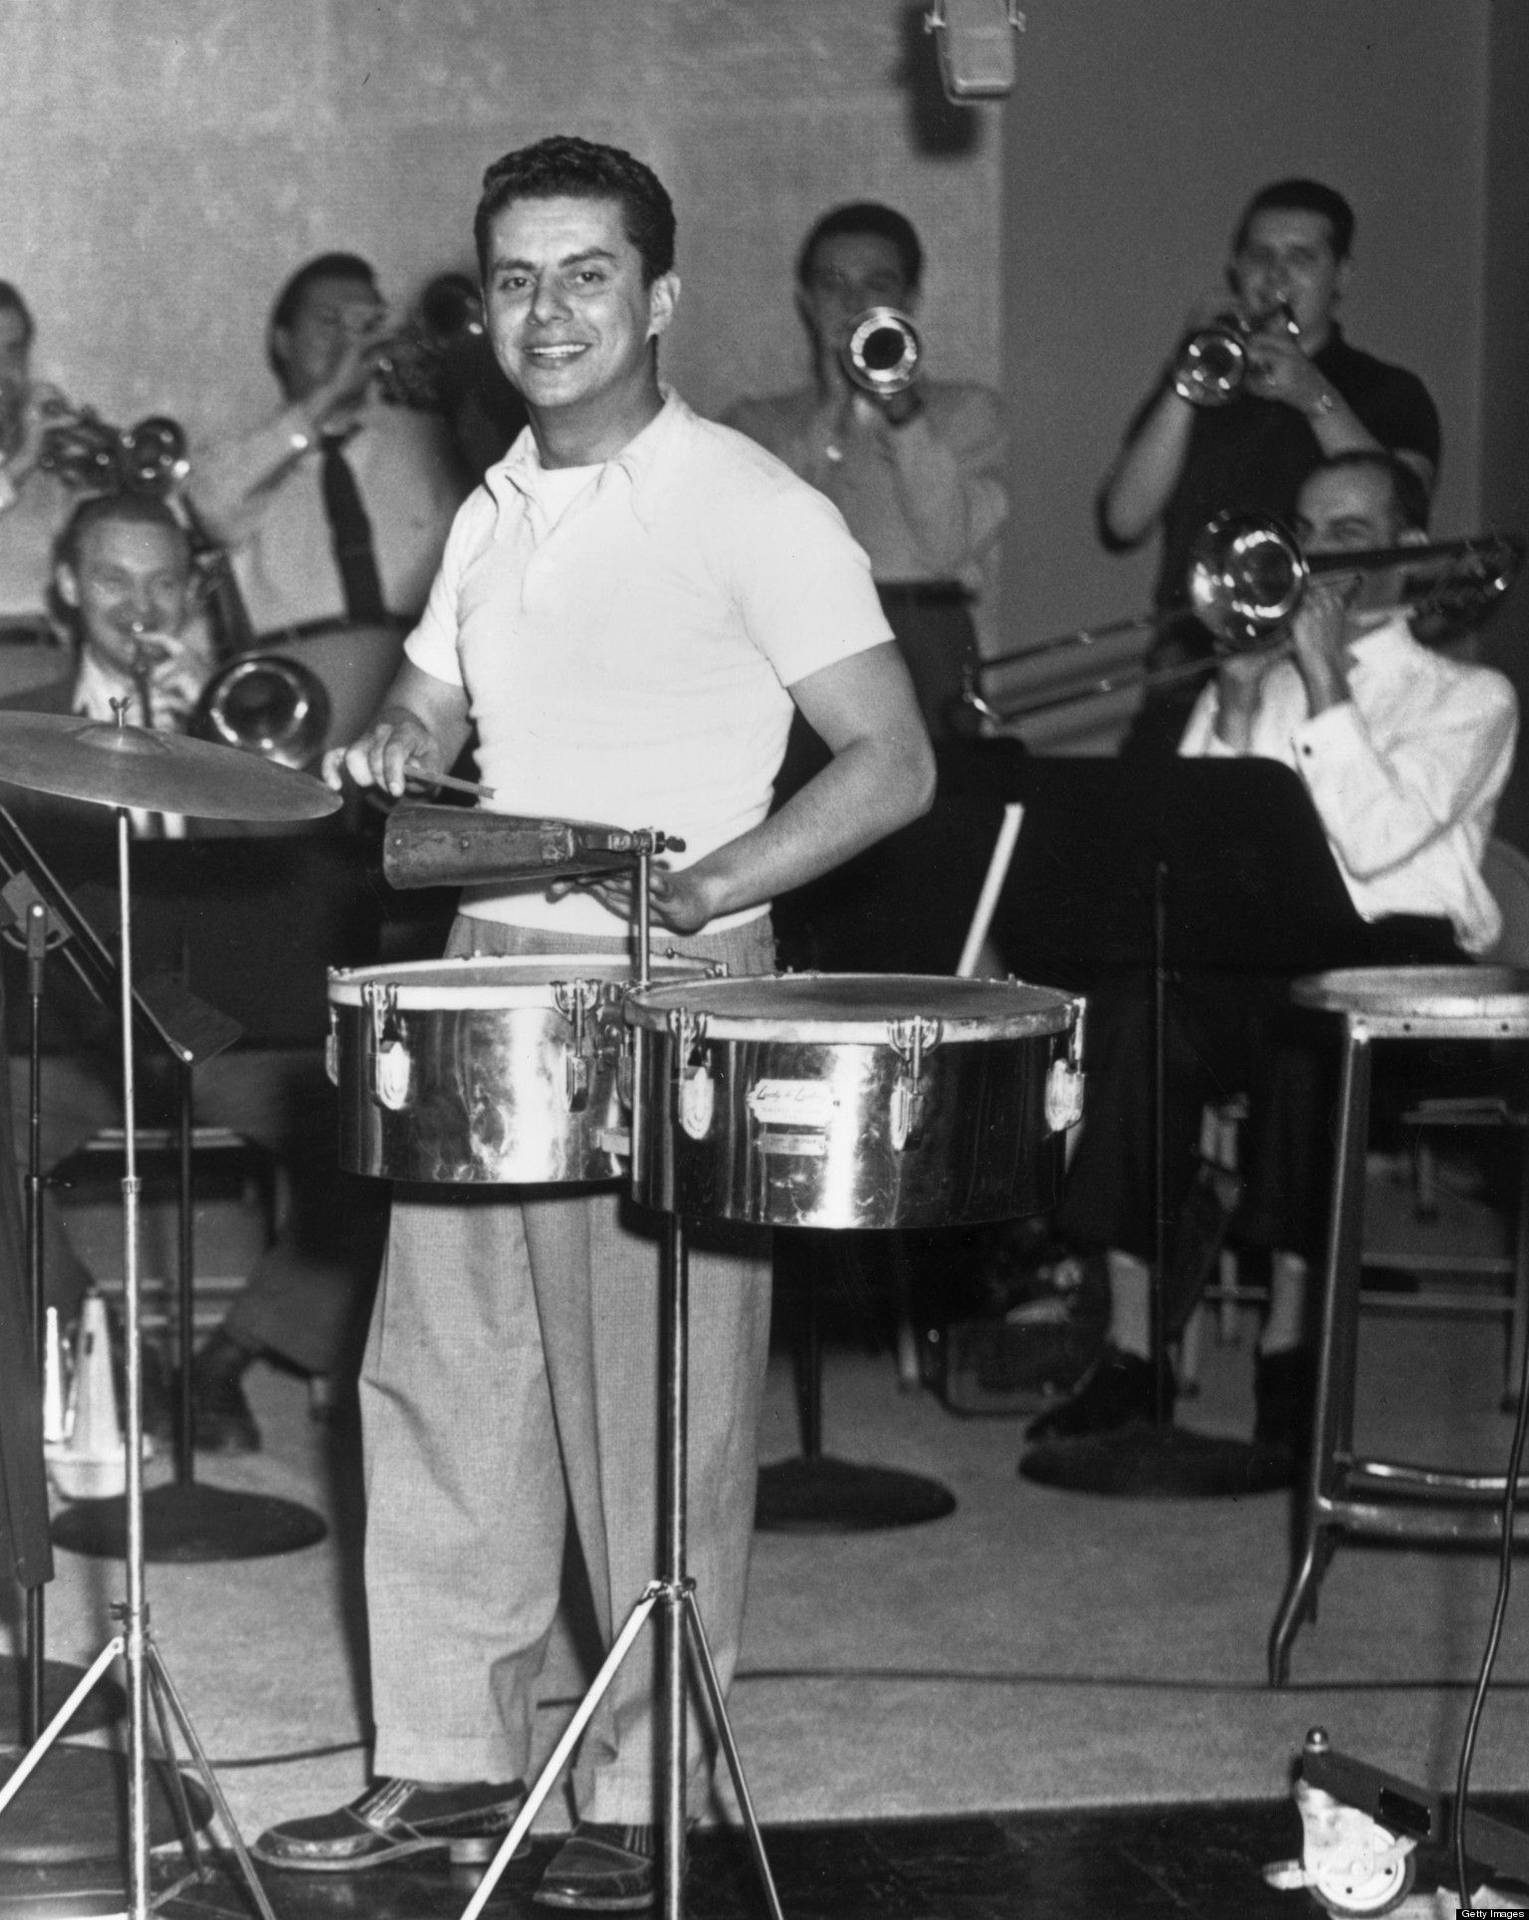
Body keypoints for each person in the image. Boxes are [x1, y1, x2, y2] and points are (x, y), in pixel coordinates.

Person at [249, 136, 933, 1911]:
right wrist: (394, 736)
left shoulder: (749, 503)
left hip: (673, 976)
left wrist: (705, 897)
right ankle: (448, 1768)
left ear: (659, 298)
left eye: (586, 275)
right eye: (518, 280)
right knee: (438, 1371)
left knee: (654, 1394)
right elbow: (426, 692)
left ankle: (642, 1794)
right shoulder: (488, 505)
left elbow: (889, 761)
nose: (547, 312)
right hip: (489, 967)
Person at [1025, 452, 1518, 1457]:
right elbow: (1205, 847)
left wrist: (1325, 673)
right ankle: (1130, 1351)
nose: (1315, 549)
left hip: (1406, 975)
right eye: (1306, 525)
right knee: (1135, 996)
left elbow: (1377, 841)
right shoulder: (1259, 671)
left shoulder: (1467, 697)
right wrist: (1245, 701)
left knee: (1314, 1015)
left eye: (1347, 529)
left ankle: (1292, 1355)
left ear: (1406, 549)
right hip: (1257, 945)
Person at [0, 490, 387, 1446]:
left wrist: (219, 742)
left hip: (238, 1030)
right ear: (66, 587)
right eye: (114, 580)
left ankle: (231, 1359)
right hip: (69, 1033)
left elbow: (313, 893)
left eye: (166, 580)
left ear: (195, 592)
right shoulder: (17, 729)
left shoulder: (254, 717)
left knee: (390, 1155)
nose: (142, 606)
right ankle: (109, 1344)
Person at [1100, 178, 1441, 756]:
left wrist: (1316, 397)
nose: (1275, 275)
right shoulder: (1205, 378)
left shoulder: (1389, 391)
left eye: (1301, 258)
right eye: (1259, 256)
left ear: (1342, 278)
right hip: (1189, 666)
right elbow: (1124, 518)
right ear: (1236, 268)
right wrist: (1189, 373)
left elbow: (1405, 514)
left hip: (1329, 666)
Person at [723, 200, 1007, 745]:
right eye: (832, 284)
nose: (853, 301)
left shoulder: (968, 412)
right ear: (807, 301)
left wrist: (903, 417)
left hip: (927, 636)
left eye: (878, 283)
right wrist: (834, 406)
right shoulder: (756, 424)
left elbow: (948, 548)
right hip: (798, 638)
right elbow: (763, 553)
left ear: (910, 300)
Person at [189, 251, 469, 637]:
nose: (349, 340)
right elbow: (212, 509)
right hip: (295, 676)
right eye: (328, 321)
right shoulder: (240, 450)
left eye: (367, 324)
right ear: (282, 340)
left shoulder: (428, 442)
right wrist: (327, 397)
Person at [0, 282, 81, 631]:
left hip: (49, 660)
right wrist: (21, 464)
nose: (5, 371)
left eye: (14, 352)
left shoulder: (46, 452)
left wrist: (84, 487)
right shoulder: (27, 459)